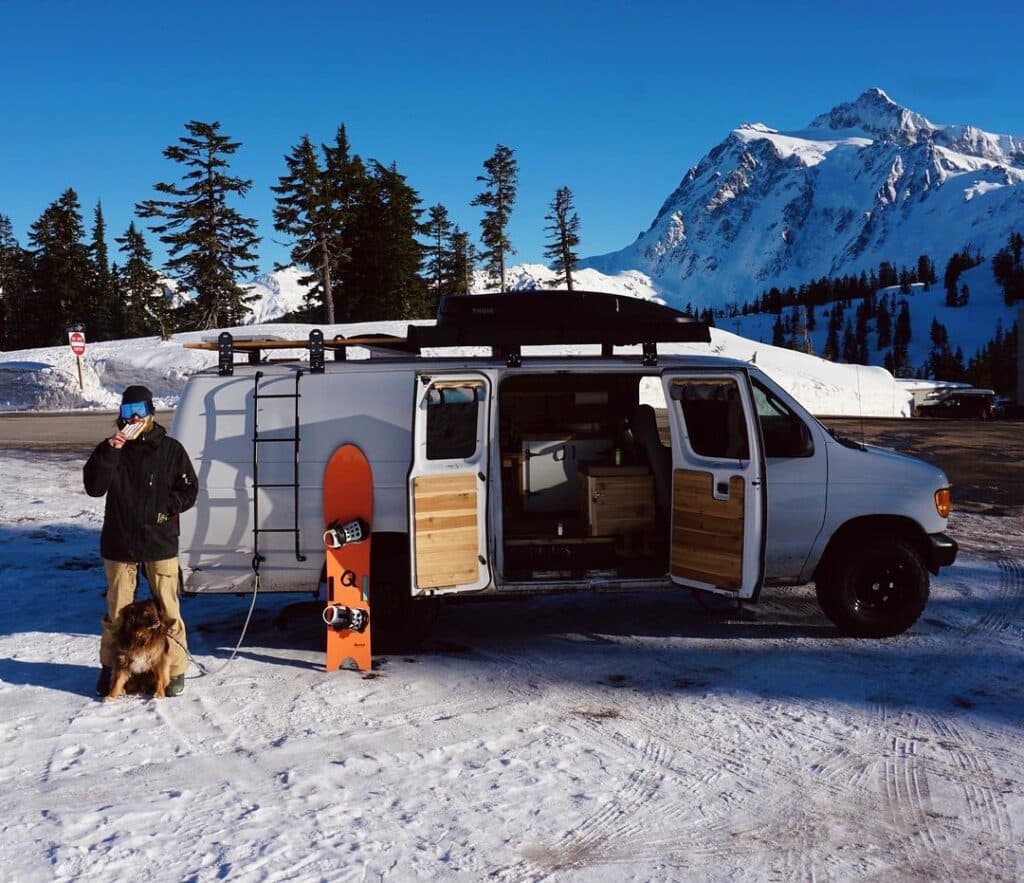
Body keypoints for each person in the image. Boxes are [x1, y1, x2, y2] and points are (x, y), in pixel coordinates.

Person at [84, 385, 198, 697]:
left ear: (150, 413)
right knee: (117, 610)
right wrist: (111, 449)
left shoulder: (170, 450)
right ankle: (111, 668)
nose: (133, 416)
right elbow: (94, 487)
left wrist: (167, 508)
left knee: (168, 609)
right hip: (120, 541)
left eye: (139, 410)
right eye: (126, 411)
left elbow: (189, 489)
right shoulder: (112, 448)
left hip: (159, 540)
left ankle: (174, 670)